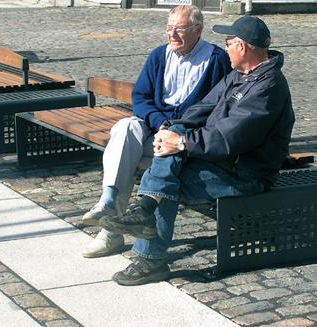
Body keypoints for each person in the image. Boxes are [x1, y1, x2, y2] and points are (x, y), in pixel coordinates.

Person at [99, 16, 295, 286]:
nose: (225, 48)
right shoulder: (240, 75)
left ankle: (151, 256)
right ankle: (145, 218)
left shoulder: (268, 86)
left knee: (165, 183)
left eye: (228, 43)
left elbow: (231, 137)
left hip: (245, 174)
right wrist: (172, 130)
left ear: (243, 47)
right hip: (221, 163)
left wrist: (181, 143)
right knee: (165, 169)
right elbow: (202, 108)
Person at [82, 5, 231, 258]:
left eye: (179, 30)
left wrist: (176, 130)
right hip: (154, 127)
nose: (172, 35)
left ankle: (111, 233)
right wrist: (159, 121)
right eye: (169, 28)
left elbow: (219, 107)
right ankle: (108, 201)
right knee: (125, 127)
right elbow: (140, 97)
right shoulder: (159, 55)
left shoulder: (216, 59)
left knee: (127, 160)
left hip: (185, 136)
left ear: (198, 30)